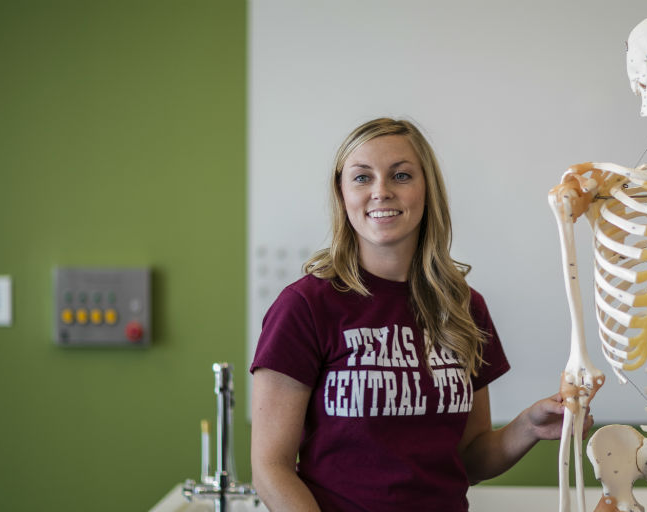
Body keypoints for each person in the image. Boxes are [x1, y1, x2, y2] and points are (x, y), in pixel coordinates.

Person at [250, 117, 584, 511]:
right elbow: (271, 469)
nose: (381, 192)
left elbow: (470, 459)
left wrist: (527, 427)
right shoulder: (306, 306)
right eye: (362, 178)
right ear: (342, 194)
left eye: (401, 175)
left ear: (427, 191)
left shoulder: (463, 306)